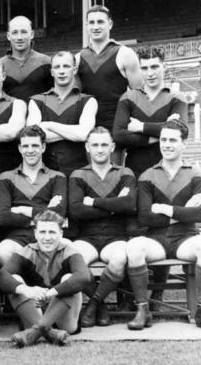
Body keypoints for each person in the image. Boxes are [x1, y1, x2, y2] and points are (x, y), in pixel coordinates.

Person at [125, 120, 201, 331]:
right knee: (133, 248)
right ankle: (143, 310)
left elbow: (200, 213)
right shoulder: (148, 175)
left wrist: (165, 209)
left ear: (184, 144)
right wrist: (182, 211)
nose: (167, 145)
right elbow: (144, 217)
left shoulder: (197, 174)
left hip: (185, 238)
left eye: (173, 140)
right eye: (163, 140)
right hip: (156, 240)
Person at [68, 127, 137, 327]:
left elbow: (129, 205)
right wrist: (114, 205)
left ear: (112, 147)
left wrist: (93, 202)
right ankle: (102, 307)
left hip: (116, 237)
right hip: (86, 237)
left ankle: (94, 304)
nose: (100, 149)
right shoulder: (78, 174)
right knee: (75, 259)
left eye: (104, 145)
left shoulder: (125, 172)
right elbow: (76, 211)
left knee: (119, 259)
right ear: (87, 147)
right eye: (95, 145)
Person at [0, 210, 90, 347]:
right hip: (35, 313)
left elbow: (84, 277)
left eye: (52, 232)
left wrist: (50, 293)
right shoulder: (27, 251)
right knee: (14, 280)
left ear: (61, 234)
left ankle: (36, 331)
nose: (47, 237)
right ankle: (49, 332)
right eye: (42, 232)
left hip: (64, 321)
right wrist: (26, 290)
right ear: (35, 233)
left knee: (69, 278)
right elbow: (2, 277)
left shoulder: (70, 251)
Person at [77, 5, 142, 164]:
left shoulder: (125, 54)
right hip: (88, 130)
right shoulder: (78, 58)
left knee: (113, 180)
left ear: (110, 24)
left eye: (100, 22)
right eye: (91, 22)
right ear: (86, 26)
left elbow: (139, 96)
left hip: (115, 130)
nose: (96, 26)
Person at [0, 126, 67, 264]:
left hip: (49, 235)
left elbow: (59, 214)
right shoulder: (6, 178)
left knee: (70, 249)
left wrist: (23, 210)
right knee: (3, 251)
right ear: (20, 148)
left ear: (43, 147)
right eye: (26, 146)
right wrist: (46, 211)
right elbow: (4, 217)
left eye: (35, 145)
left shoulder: (58, 177)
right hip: (17, 237)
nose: (30, 150)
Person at [113, 47, 188, 177]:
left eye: (154, 67)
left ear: (163, 66)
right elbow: (119, 136)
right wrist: (162, 131)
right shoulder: (128, 98)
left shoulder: (177, 98)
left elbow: (180, 131)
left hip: (168, 174)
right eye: (144, 68)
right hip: (135, 174)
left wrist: (141, 127)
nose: (150, 73)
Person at [28, 51, 97, 178]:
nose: (61, 71)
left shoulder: (88, 101)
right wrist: (72, 132)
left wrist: (49, 125)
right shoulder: (36, 101)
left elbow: (84, 134)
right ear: (52, 72)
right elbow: (33, 137)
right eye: (57, 67)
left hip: (79, 174)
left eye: (66, 66)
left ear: (74, 70)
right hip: (43, 175)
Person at [0, 16, 52, 102]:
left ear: (32, 34)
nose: (19, 37)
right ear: (8, 36)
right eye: (15, 32)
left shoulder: (47, 62)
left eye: (24, 32)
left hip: (39, 114)